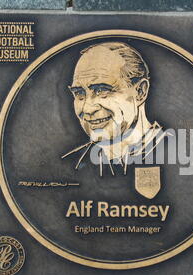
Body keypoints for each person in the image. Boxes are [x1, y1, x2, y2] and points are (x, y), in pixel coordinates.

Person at [62, 42, 166, 177]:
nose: (87, 108)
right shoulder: (69, 164)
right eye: (79, 93)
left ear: (140, 92)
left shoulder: (181, 155)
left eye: (101, 90)